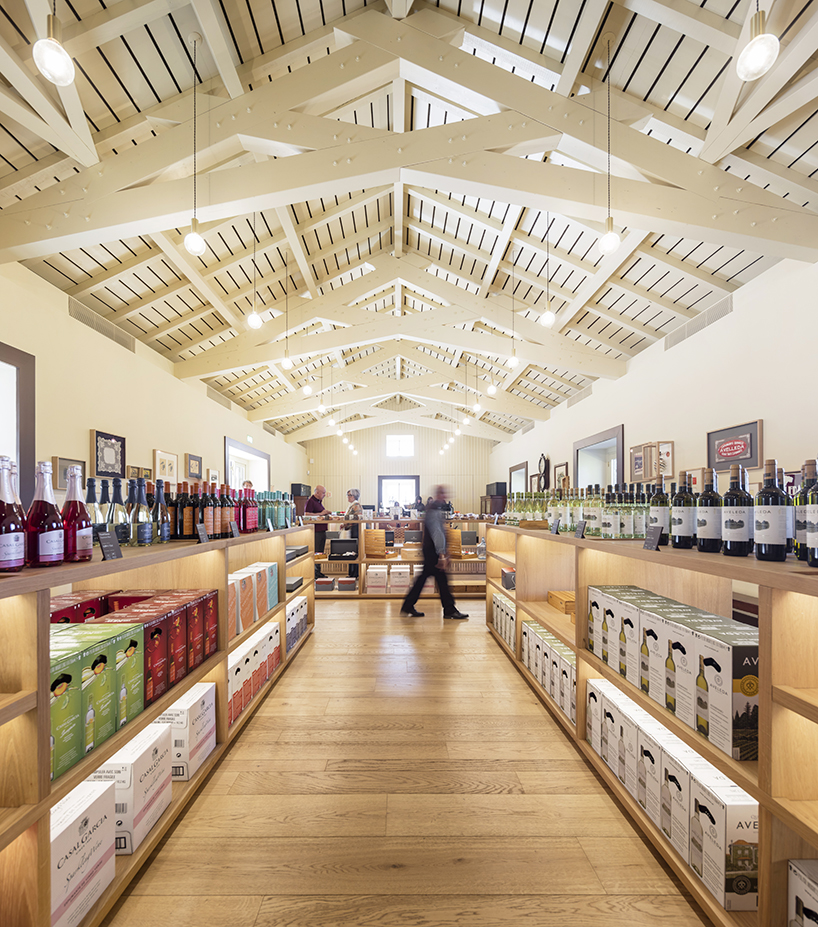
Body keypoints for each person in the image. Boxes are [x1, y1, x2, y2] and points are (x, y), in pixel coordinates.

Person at [401, 485, 468, 620]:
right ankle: (449, 609)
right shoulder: (434, 510)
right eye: (444, 494)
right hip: (434, 552)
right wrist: (442, 554)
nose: (446, 496)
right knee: (439, 580)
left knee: (428, 579)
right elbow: (437, 533)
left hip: (430, 550)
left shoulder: (433, 508)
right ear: (439, 495)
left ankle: (408, 605)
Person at [305, 485, 330, 578]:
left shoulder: (318, 502)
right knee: (316, 552)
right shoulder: (310, 501)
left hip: (321, 530)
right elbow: (307, 514)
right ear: (317, 492)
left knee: (320, 552)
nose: (324, 495)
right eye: (323, 493)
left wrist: (325, 513)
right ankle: (315, 573)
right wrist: (322, 513)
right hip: (316, 531)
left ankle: (318, 572)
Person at [344, 488, 363, 578]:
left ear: (353, 496)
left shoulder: (356, 505)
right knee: (351, 551)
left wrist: (346, 524)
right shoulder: (352, 505)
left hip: (356, 531)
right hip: (352, 530)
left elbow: (357, 519)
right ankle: (352, 573)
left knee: (354, 552)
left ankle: (354, 574)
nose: (347, 497)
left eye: (349, 495)